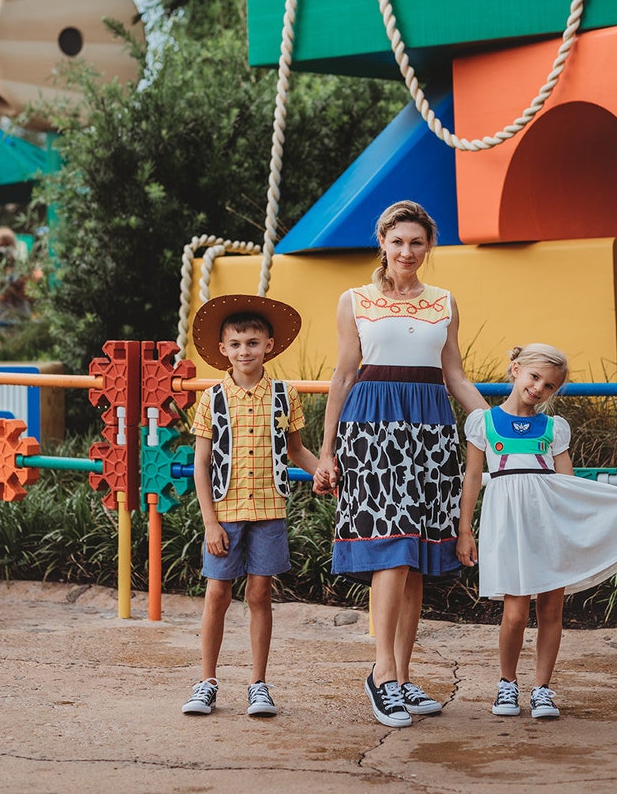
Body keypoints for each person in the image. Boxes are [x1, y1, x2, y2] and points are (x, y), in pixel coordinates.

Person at [313, 199, 487, 728]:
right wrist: (327, 449)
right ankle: (382, 675)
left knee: (414, 561)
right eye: (397, 242)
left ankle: (404, 679)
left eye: (416, 242)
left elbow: (454, 374)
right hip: (370, 430)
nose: (407, 251)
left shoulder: (444, 302)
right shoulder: (355, 300)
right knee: (389, 551)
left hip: (430, 428)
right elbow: (343, 376)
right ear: (383, 244)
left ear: (427, 247)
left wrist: (497, 423)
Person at [456, 343, 617, 720]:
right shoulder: (483, 423)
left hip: (549, 526)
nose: (538, 388)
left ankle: (543, 688)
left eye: (549, 386)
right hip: (508, 526)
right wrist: (465, 530)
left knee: (551, 609)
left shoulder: (552, 428)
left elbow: (570, 486)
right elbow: (471, 479)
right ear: (515, 370)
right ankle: (507, 683)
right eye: (534, 377)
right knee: (514, 613)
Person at [182, 293, 318, 719]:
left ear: (269, 346)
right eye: (237, 344)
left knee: (260, 594)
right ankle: (206, 681)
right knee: (217, 594)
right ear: (223, 349)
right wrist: (210, 522)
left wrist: (324, 472)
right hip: (224, 514)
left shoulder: (285, 395)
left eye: (253, 343)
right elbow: (201, 464)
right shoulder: (212, 398)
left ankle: (258, 684)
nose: (245, 351)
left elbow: (296, 450)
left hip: (269, 512)